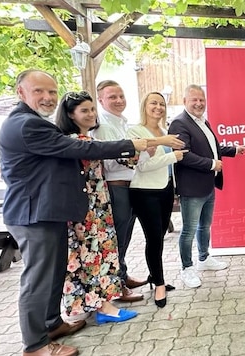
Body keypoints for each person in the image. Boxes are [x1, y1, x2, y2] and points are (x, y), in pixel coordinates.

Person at [0, 69, 147, 356]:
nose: (47, 97)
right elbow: (73, 147)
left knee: (54, 275)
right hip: (33, 215)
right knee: (38, 281)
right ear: (21, 93)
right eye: (39, 91)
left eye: (51, 91)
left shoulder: (32, 122)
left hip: (47, 212)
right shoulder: (27, 125)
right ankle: (36, 345)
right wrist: (133, 145)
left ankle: (52, 324)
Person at [55, 91, 138, 325]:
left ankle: (98, 304)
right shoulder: (75, 141)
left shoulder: (86, 139)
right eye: (84, 110)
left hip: (98, 204)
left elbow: (114, 154)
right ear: (71, 115)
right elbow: (109, 151)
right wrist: (139, 146)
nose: (91, 114)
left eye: (92, 109)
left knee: (97, 254)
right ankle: (104, 308)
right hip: (86, 208)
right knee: (93, 255)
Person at [168, 84, 245, 288]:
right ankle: (187, 269)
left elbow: (211, 148)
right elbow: (184, 155)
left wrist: (233, 150)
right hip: (192, 188)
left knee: (205, 226)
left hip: (207, 185)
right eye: (194, 99)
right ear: (185, 101)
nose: (199, 103)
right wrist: (212, 164)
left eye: (201, 100)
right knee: (189, 230)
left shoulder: (202, 121)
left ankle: (204, 259)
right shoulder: (179, 123)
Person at [127, 92, 186, 307]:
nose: (158, 107)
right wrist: (173, 156)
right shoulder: (136, 131)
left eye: (162, 104)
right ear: (144, 105)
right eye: (154, 102)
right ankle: (159, 285)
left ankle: (154, 276)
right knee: (153, 239)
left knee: (159, 237)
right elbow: (142, 165)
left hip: (165, 189)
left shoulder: (164, 131)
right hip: (145, 192)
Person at [92, 80, 146, 302]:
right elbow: (111, 163)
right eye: (112, 97)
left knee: (124, 237)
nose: (118, 100)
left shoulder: (123, 123)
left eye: (121, 96)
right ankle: (116, 287)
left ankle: (121, 276)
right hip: (116, 188)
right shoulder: (104, 126)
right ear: (101, 100)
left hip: (130, 186)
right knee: (116, 240)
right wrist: (136, 155)